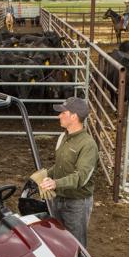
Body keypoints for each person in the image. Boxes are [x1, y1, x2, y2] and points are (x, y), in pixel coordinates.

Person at [39, 97, 98, 248]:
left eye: (63, 113)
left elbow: (81, 177)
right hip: (57, 198)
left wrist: (55, 183)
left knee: (75, 244)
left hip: (76, 203)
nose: (59, 116)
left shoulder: (88, 145)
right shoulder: (63, 137)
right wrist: (45, 174)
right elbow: (60, 166)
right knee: (58, 240)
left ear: (74, 116)